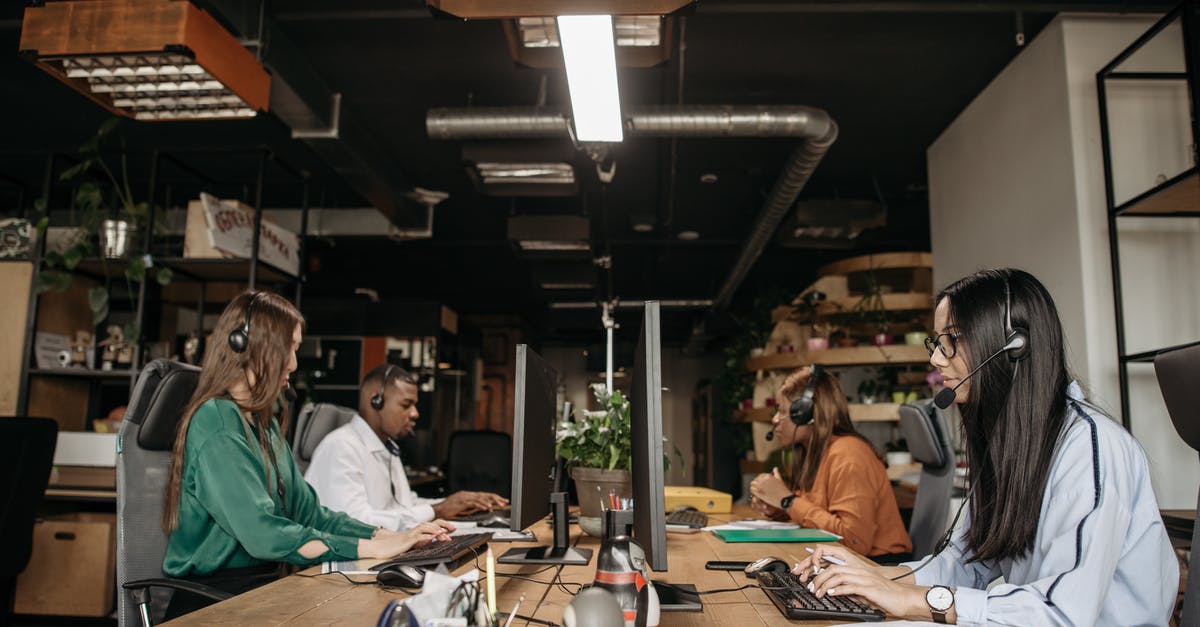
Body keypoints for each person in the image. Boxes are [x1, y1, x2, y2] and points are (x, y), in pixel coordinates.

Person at [794, 268, 1177, 626]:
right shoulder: (1009, 443)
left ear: (1014, 346)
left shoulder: (1090, 449)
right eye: (936, 342)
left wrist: (907, 600)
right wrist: (871, 574)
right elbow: (966, 564)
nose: (934, 358)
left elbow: (1063, 613)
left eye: (952, 340)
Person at [162, 291, 453, 618]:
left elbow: (312, 514)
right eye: (291, 348)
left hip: (264, 589)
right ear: (250, 345)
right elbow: (263, 534)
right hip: (214, 601)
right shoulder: (215, 421)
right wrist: (371, 549)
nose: (295, 363)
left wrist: (392, 537)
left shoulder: (264, 425)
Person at [305, 364, 509, 530]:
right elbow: (356, 524)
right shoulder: (341, 446)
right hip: (345, 570)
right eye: (406, 405)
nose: (415, 414)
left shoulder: (387, 447)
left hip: (384, 552)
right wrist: (437, 510)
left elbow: (404, 504)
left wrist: (460, 504)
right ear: (375, 401)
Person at [748, 365, 912, 561]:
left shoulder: (848, 454)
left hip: (879, 566)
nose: (775, 419)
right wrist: (779, 507)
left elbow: (855, 542)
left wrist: (788, 501)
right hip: (849, 563)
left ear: (806, 414)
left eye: (782, 410)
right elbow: (817, 516)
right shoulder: (816, 452)